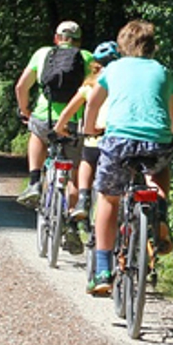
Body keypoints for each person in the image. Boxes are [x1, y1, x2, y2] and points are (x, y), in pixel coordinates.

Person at [83, 20, 173, 295]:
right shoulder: (164, 72)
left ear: (122, 45)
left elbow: (93, 103)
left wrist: (89, 129)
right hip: (157, 142)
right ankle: (160, 211)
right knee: (161, 168)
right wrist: (172, 135)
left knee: (108, 197)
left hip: (118, 142)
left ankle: (103, 269)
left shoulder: (113, 69)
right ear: (153, 46)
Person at [15, 20, 94, 254]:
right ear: (79, 40)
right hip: (74, 123)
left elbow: (21, 87)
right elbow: (96, 92)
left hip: (44, 117)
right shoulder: (87, 58)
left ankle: (34, 182)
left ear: (56, 38)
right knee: (74, 172)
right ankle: (70, 221)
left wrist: (25, 111)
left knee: (36, 134)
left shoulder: (42, 54)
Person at [53, 41, 120, 220]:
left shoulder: (89, 87)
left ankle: (83, 198)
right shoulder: (124, 86)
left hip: (95, 139)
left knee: (87, 160)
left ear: (95, 65)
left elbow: (67, 112)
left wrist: (60, 128)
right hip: (119, 138)